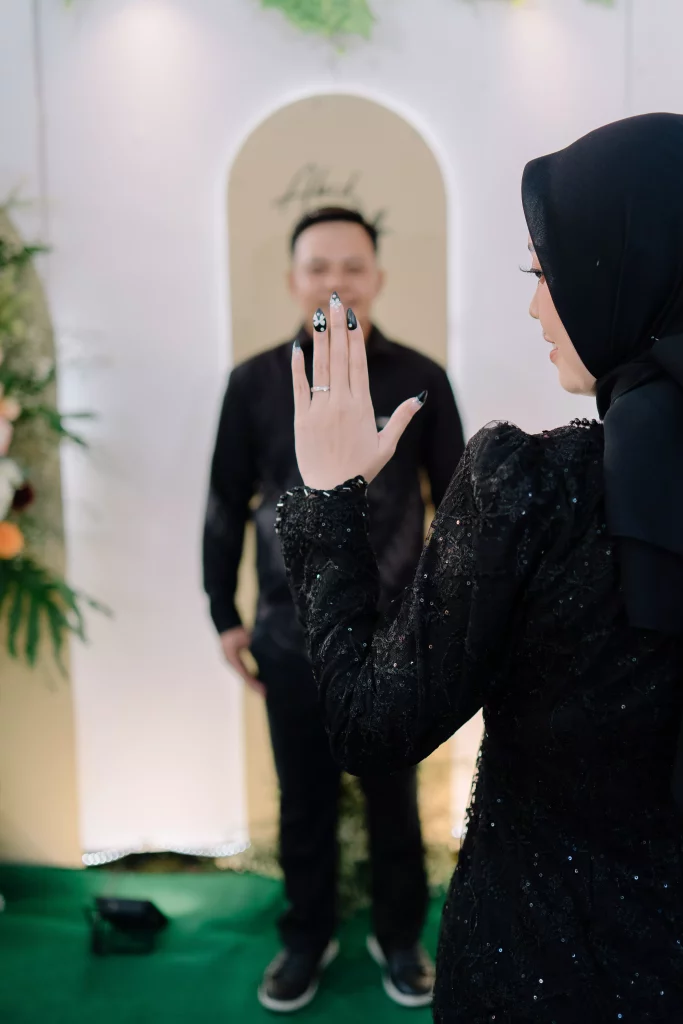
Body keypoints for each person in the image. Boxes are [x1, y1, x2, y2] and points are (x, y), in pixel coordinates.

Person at [276, 113, 683, 1023]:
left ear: (625, 270)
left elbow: (372, 726)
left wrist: (327, 501)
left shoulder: (532, 488)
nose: (536, 307)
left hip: (533, 957)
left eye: (544, 272)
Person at [203, 206, 465, 1012]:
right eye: (318, 267)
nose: (335, 282)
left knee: (393, 795)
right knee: (303, 797)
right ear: (293, 280)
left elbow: (458, 506)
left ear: (376, 278)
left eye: (352, 266)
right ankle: (305, 937)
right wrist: (223, 611)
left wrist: (448, 615)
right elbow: (224, 501)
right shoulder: (253, 381)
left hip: (396, 627)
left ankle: (400, 937)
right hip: (288, 630)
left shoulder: (420, 376)